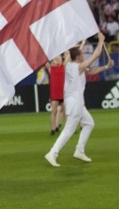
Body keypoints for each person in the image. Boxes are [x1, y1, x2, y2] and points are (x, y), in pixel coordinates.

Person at [45, 33, 110, 167]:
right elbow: (96, 55)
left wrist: (106, 67)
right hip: (75, 103)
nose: (83, 54)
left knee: (89, 123)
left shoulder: (75, 67)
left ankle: (79, 150)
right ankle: (53, 153)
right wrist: (101, 41)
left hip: (77, 103)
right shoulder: (75, 67)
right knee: (69, 130)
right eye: (81, 53)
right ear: (78, 57)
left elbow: (91, 71)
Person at [46, 54, 67, 135]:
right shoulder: (51, 68)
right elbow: (44, 60)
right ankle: (53, 128)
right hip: (55, 93)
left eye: (59, 59)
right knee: (53, 111)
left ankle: (68, 127)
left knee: (66, 111)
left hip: (63, 93)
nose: (57, 60)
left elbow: (68, 56)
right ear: (53, 61)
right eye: (55, 59)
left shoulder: (63, 66)